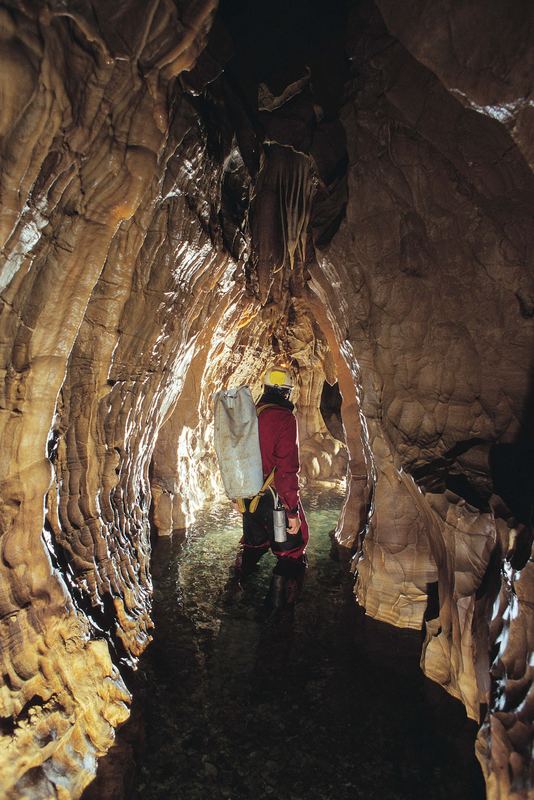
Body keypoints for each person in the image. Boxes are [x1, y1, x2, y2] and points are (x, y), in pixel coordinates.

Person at [227, 365, 309, 617]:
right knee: (291, 555)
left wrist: (235, 495)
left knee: (253, 547)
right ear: (286, 393)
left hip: (247, 496)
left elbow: (233, 455)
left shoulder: (250, 413)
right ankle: (277, 621)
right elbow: (286, 469)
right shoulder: (285, 419)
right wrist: (292, 511)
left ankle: (233, 598)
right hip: (273, 500)